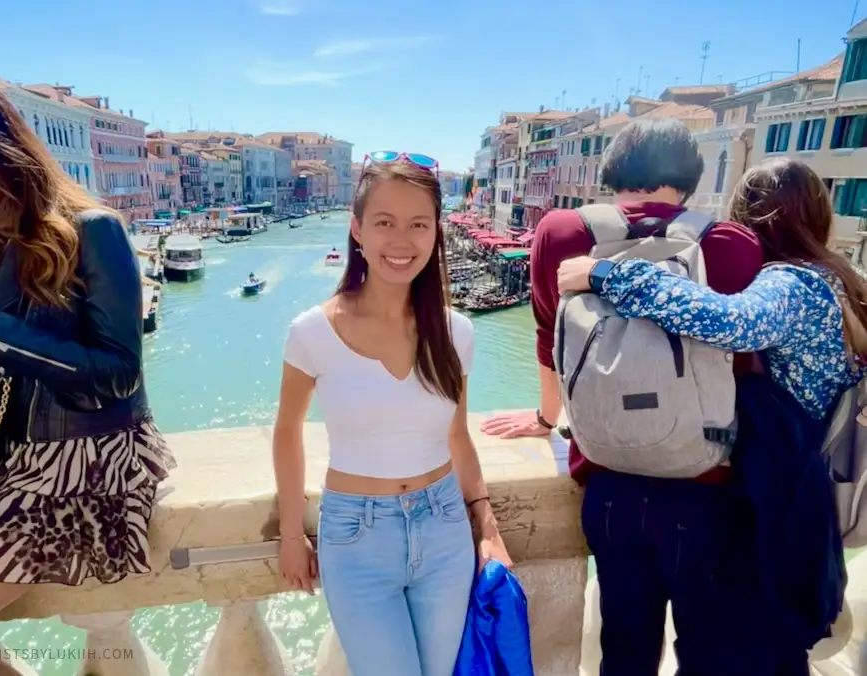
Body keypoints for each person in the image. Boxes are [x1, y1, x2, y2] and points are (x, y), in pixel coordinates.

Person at [558, 157, 864, 674]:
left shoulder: (792, 284)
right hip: (801, 490)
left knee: (746, 652)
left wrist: (608, 273)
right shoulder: (836, 279)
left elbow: (729, 322)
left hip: (774, 500)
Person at [486, 119, 764, 675]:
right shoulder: (731, 243)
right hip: (704, 486)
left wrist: (546, 418)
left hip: (608, 481)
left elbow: (550, 340)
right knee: (707, 650)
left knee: (625, 648)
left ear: (613, 170)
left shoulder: (561, 231)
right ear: (689, 177)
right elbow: (748, 359)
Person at [273, 152, 512, 676]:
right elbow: (287, 433)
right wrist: (293, 535)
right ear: (357, 230)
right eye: (384, 223)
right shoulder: (311, 332)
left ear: (436, 233)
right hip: (355, 538)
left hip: (446, 527)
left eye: (418, 225)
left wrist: (487, 526)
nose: (401, 241)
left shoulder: (457, 332)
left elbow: (458, 435)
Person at [0, 76, 174, 671]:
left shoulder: (95, 231)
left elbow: (117, 374)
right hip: (6, 462)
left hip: (87, 469)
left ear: (5, 153)